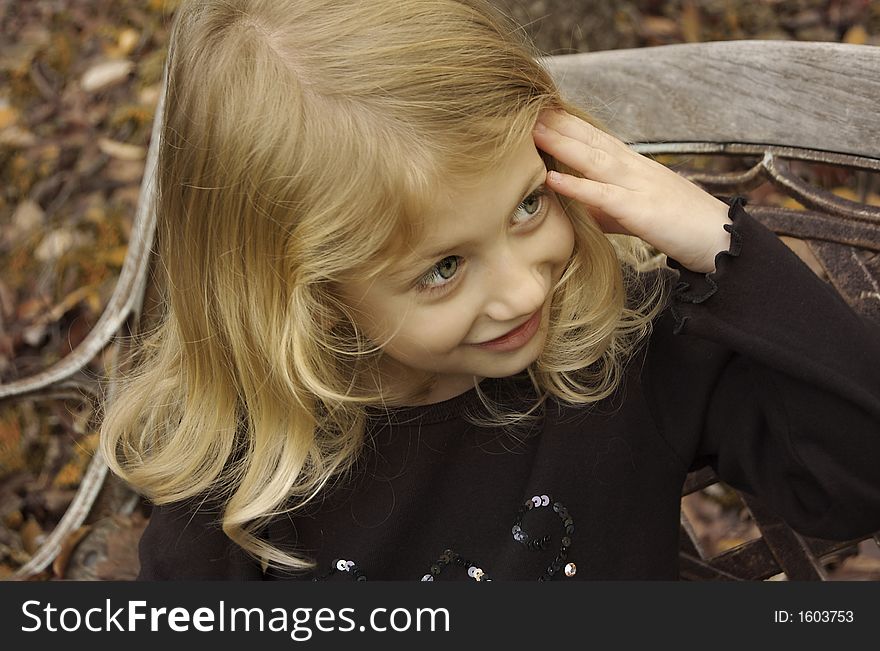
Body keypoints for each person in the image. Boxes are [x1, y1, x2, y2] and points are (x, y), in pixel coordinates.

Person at [99, 0, 880, 581]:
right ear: (302, 296)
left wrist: (723, 242)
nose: (520, 292)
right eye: (442, 268)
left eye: (528, 205)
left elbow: (856, 480)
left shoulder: (627, 346)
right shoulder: (243, 488)